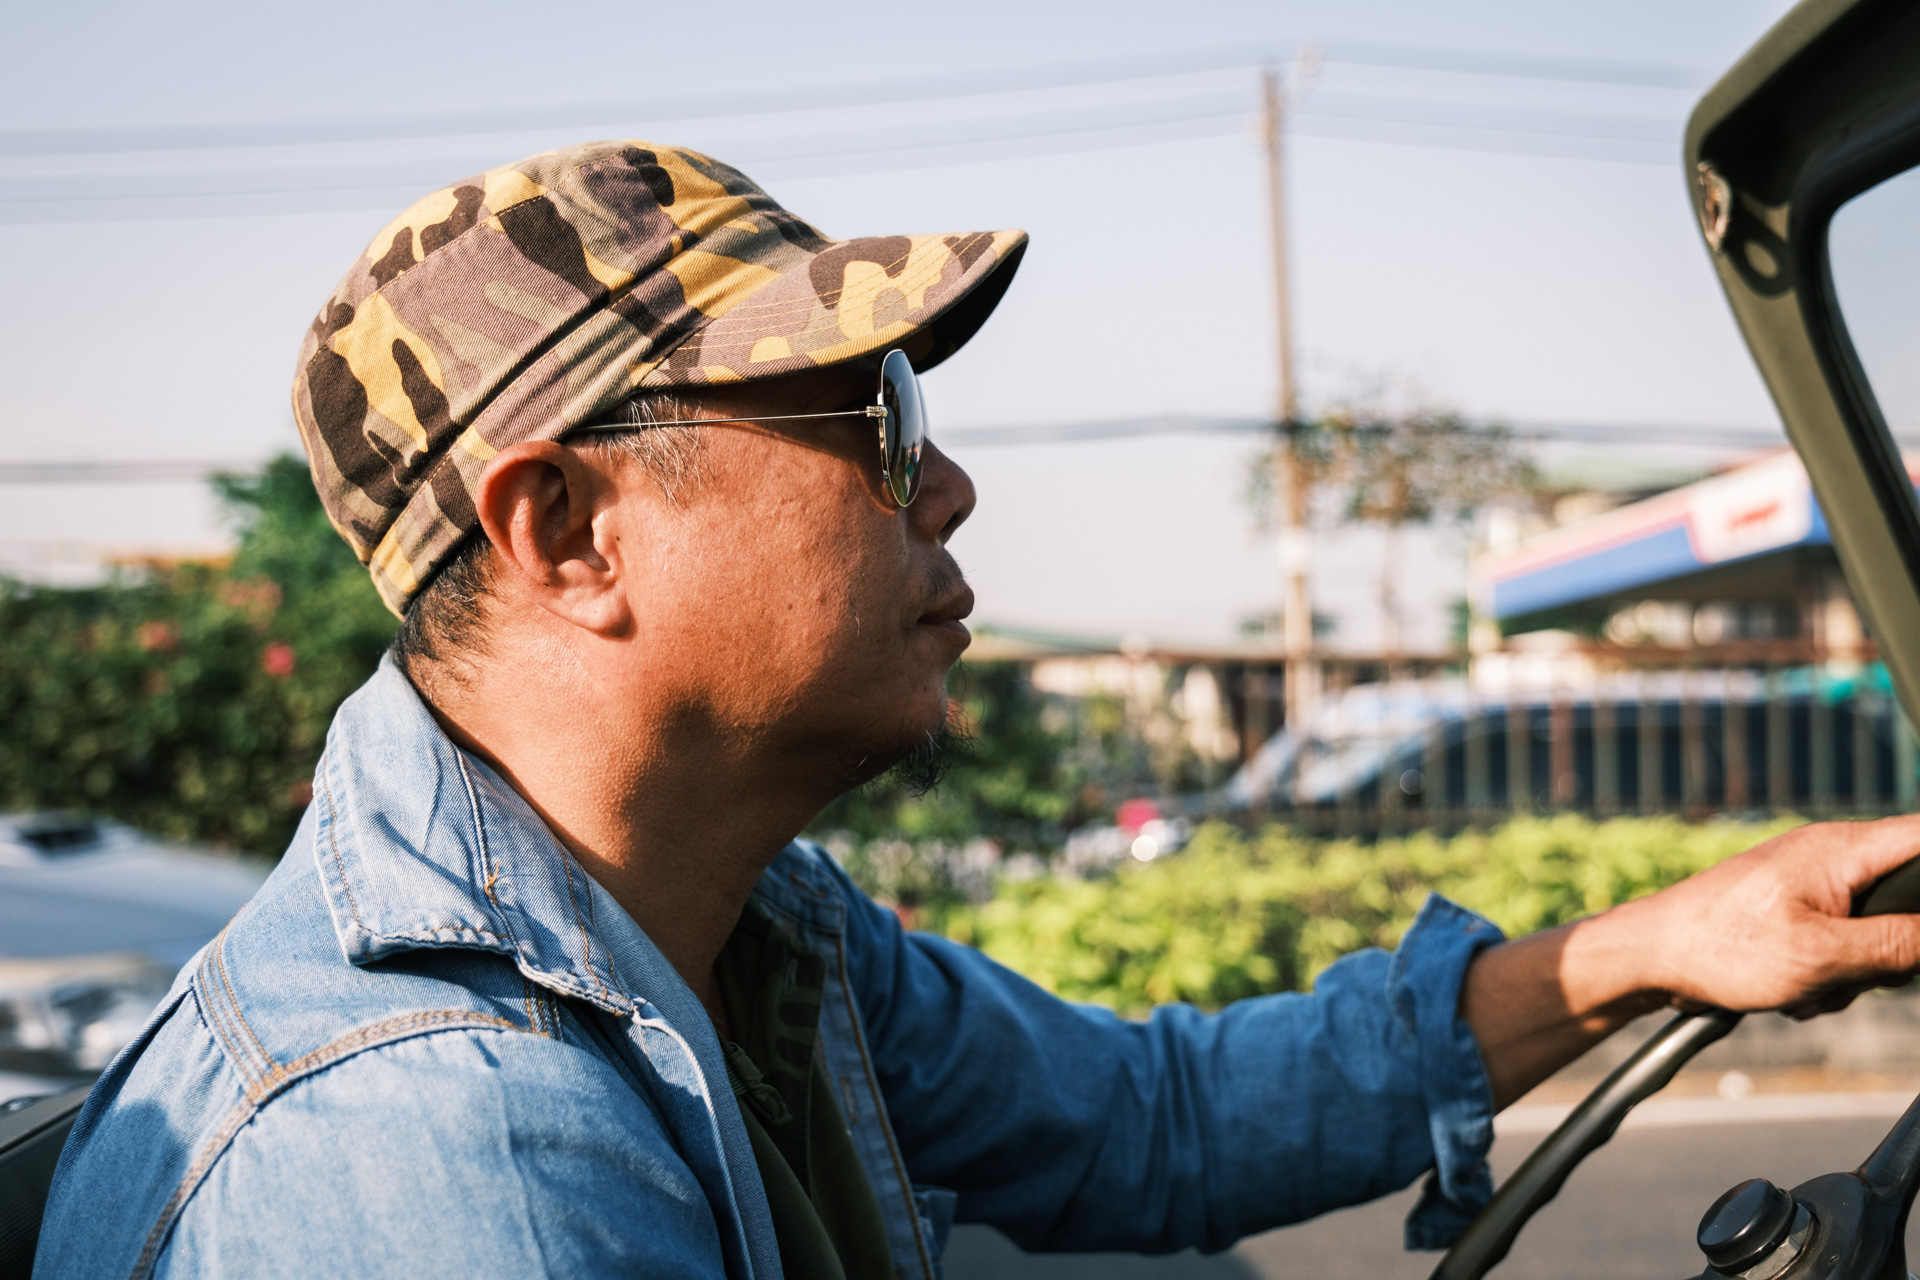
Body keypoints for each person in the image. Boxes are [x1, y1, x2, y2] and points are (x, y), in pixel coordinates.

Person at [32, 140, 1920, 1280]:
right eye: (873, 418)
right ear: (571, 530)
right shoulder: (453, 1153)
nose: (946, 488)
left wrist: (1655, 946)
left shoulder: (743, 924)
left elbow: (1145, 1123)